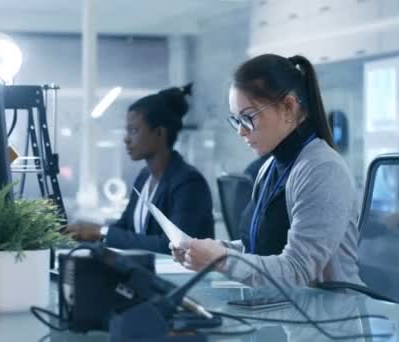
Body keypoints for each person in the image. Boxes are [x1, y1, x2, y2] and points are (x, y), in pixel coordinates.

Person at [172, 54, 363, 287]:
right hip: (285, 312)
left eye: (248, 117)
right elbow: (258, 246)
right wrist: (208, 251)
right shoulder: (270, 168)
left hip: (333, 317)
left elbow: (296, 270)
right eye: (237, 120)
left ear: (289, 108)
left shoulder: (323, 171)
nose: (241, 131)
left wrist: (222, 260)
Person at [65, 84, 214, 254]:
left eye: (133, 130)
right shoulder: (145, 177)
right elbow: (125, 226)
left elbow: (176, 246)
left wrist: (101, 232)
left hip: (187, 277)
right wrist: (88, 230)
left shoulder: (188, 182)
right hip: (150, 274)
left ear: (159, 133)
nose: (126, 139)